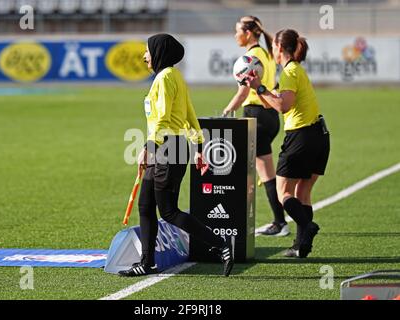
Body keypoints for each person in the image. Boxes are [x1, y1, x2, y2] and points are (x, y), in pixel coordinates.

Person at [119, 34, 234, 277]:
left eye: (147, 51)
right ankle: (147, 262)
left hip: (167, 148)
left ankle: (221, 244)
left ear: (159, 52)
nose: (144, 56)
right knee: (146, 205)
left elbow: (162, 118)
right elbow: (189, 114)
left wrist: (148, 148)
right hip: (171, 146)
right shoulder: (174, 77)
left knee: (168, 211)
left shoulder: (164, 78)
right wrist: (199, 147)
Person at [241, 29, 330, 258]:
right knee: (302, 191)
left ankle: (307, 228)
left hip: (302, 137)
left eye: (273, 47)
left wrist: (260, 88)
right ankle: (301, 246)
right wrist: (257, 87)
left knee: (284, 194)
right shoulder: (295, 70)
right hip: (319, 135)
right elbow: (273, 102)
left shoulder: (290, 71)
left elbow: (283, 106)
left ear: (279, 48)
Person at [222, 16, 289, 237]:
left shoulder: (250, 57)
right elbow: (273, 85)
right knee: (260, 171)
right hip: (269, 116)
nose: (235, 35)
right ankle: (280, 221)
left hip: (256, 117)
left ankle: (279, 222)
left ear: (248, 33)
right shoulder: (267, 53)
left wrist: (226, 111)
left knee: (255, 172)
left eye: (237, 30)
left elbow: (243, 92)